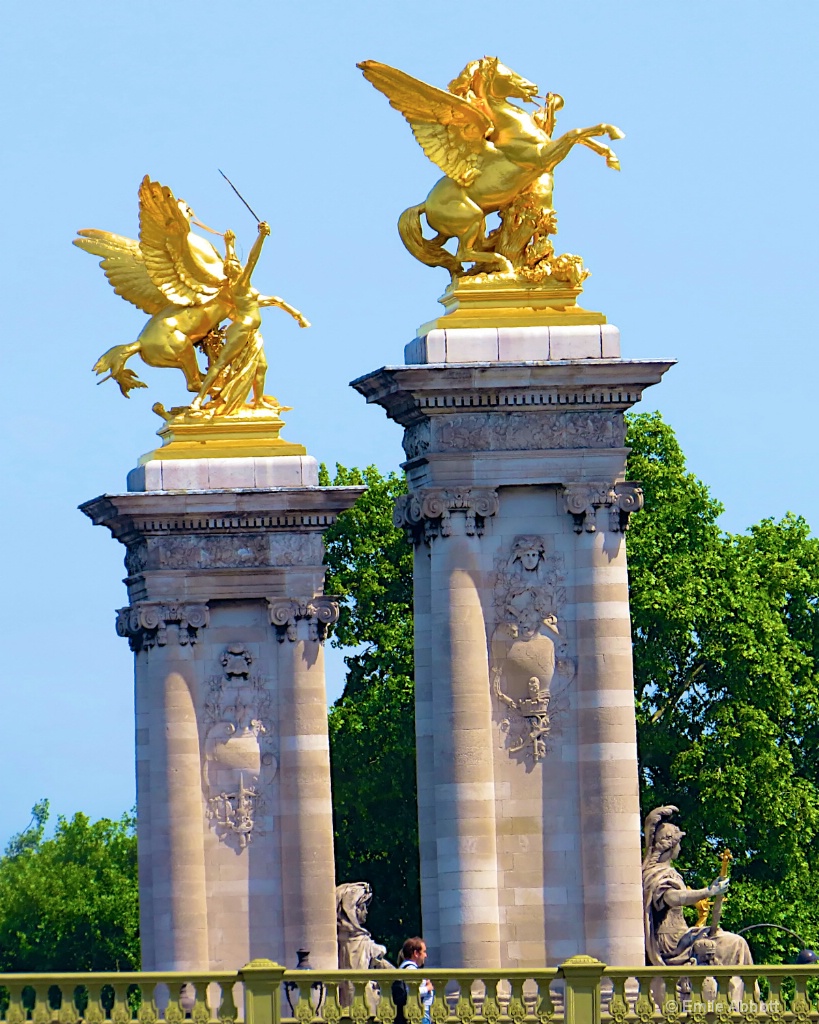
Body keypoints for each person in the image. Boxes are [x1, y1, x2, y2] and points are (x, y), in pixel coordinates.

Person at [643, 806, 753, 966]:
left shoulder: (661, 872)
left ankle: (736, 989)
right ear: (670, 846)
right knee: (736, 944)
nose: (680, 848)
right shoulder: (659, 874)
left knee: (732, 942)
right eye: (678, 843)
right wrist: (709, 891)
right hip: (674, 943)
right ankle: (741, 990)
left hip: (683, 937)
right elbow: (673, 897)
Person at [393, 938, 433, 1024]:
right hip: (418, 1017)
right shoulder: (411, 969)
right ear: (416, 953)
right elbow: (411, 992)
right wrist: (428, 988)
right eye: (424, 951)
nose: (425, 955)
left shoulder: (404, 968)